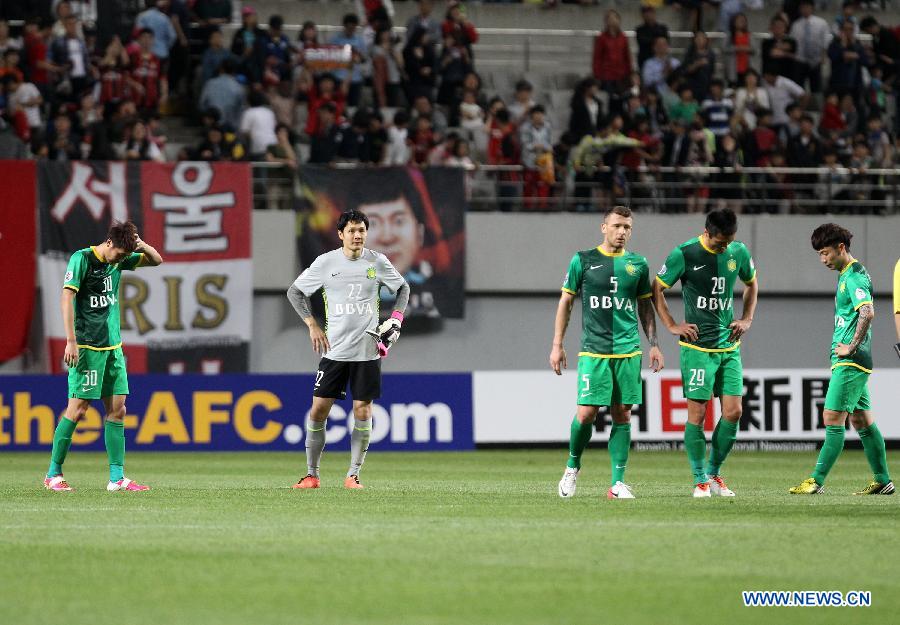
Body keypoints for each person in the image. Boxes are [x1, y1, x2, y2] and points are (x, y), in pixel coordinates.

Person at [286, 210, 410, 489]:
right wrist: (311, 324)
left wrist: (396, 319)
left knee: (363, 412)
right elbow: (294, 292)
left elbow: (402, 288)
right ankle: (312, 475)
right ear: (341, 234)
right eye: (352, 231)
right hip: (334, 351)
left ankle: (353, 475)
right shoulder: (325, 262)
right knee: (318, 411)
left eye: (362, 231)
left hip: (367, 350)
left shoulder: (377, 262)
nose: (357, 236)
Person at [552, 206, 664, 500]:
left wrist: (654, 344)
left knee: (623, 414)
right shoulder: (583, 260)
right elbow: (566, 302)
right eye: (616, 226)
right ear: (604, 227)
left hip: (628, 351)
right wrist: (557, 344)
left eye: (627, 227)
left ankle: (617, 483)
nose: (622, 232)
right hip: (594, 352)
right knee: (587, 413)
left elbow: (644, 306)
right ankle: (572, 467)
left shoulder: (638, 264)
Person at [43, 222, 164, 492]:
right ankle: (53, 474)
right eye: (120, 254)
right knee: (78, 410)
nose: (121, 259)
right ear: (109, 243)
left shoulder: (119, 259)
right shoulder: (82, 259)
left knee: (118, 410)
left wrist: (141, 245)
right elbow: (66, 299)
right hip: (87, 347)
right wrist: (71, 341)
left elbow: (156, 261)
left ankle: (117, 478)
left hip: (113, 348)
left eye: (125, 256)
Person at [651, 209, 758, 497]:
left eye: (729, 242)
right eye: (721, 242)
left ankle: (714, 473)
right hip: (697, 349)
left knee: (734, 412)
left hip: (729, 347)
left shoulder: (739, 251)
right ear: (707, 232)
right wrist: (672, 325)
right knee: (697, 415)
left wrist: (747, 318)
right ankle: (699, 479)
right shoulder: (684, 253)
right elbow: (656, 288)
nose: (726, 247)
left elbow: (751, 283)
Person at [790, 224, 893, 495]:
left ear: (841, 248)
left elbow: (868, 312)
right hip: (855, 360)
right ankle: (883, 480)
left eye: (825, 253)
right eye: (819, 255)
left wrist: (851, 347)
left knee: (832, 416)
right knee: (862, 421)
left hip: (852, 361)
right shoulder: (847, 274)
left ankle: (816, 481)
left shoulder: (855, 276)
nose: (823, 259)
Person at [789, 0, 832, 94]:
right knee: (799, 87)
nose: (805, 10)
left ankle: (816, 106)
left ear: (812, 8)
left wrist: (823, 55)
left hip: (816, 60)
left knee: (816, 87)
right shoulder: (796, 24)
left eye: (807, 7)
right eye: (803, 7)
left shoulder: (821, 23)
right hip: (800, 60)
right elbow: (792, 42)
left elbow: (826, 40)